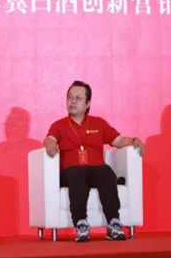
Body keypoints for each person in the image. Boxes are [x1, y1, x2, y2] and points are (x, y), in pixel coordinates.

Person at [43, 80, 145, 242]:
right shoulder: (59, 125)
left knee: (106, 170)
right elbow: (50, 139)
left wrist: (133, 141)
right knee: (76, 172)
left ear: (88, 103)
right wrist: (50, 143)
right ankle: (81, 223)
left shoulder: (99, 123)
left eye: (78, 98)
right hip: (70, 173)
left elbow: (118, 141)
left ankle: (113, 223)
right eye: (70, 97)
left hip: (95, 171)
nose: (72, 101)